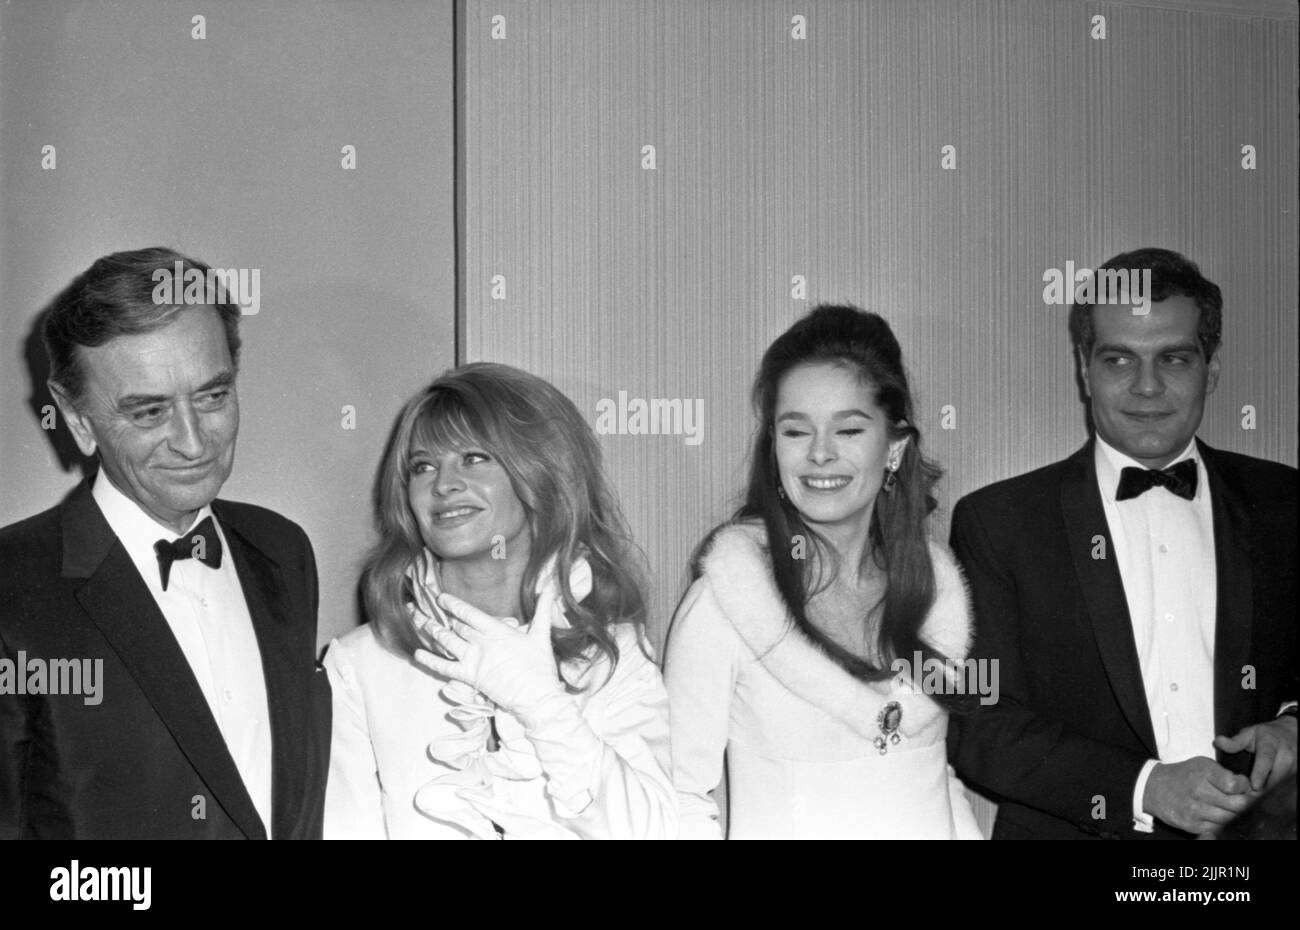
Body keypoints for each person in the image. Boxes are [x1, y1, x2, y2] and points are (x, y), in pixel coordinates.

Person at [948, 248, 1297, 839]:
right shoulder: (998, 523)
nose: (1147, 386)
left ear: (1211, 369)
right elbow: (982, 726)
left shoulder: (1285, 504)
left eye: (1175, 358)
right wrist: (1142, 786)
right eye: (1118, 360)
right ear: (1084, 371)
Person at [0, 247, 329, 839]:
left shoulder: (283, 551)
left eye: (213, 396)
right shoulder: (10, 586)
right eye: (149, 412)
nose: (193, 440)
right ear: (76, 419)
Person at [665, 304, 983, 839]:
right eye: (795, 431)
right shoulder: (727, 599)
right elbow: (678, 793)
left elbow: (931, 772)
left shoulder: (935, 589)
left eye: (849, 429)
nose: (819, 454)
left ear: (895, 446)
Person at [323, 363, 675, 839]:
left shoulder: (612, 651)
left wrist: (540, 704)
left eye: (474, 457)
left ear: (542, 472)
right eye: (423, 466)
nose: (443, 484)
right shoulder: (359, 665)